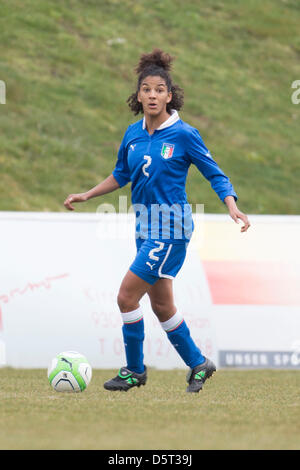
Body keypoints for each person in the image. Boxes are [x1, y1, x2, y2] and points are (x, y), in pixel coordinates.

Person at [64, 49, 250, 393]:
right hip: (145, 227)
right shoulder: (133, 134)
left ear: (169, 95)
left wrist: (231, 205)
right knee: (162, 305)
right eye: (146, 89)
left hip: (172, 228)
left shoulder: (184, 134)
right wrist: (87, 195)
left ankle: (134, 370)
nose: (152, 95)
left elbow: (215, 174)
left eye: (159, 90)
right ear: (138, 94)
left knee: (125, 297)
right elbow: (121, 174)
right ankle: (198, 364)